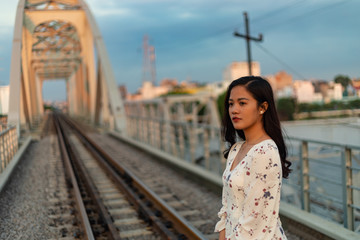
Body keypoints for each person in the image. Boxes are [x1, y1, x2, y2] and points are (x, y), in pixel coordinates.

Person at [215, 76, 292, 240]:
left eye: (242, 103)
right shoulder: (236, 149)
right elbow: (227, 208)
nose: (234, 110)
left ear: (262, 107)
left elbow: (254, 224)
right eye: (231, 104)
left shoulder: (265, 152)